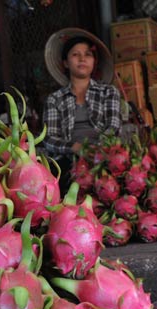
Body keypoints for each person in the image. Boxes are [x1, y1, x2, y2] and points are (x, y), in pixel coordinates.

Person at [42, 28, 121, 191]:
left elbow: (113, 126)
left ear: (94, 62)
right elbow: (49, 139)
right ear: (65, 63)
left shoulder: (109, 92)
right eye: (75, 54)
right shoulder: (55, 99)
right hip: (68, 160)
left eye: (88, 54)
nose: (82, 59)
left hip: (103, 154)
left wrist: (95, 150)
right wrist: (76, 148)